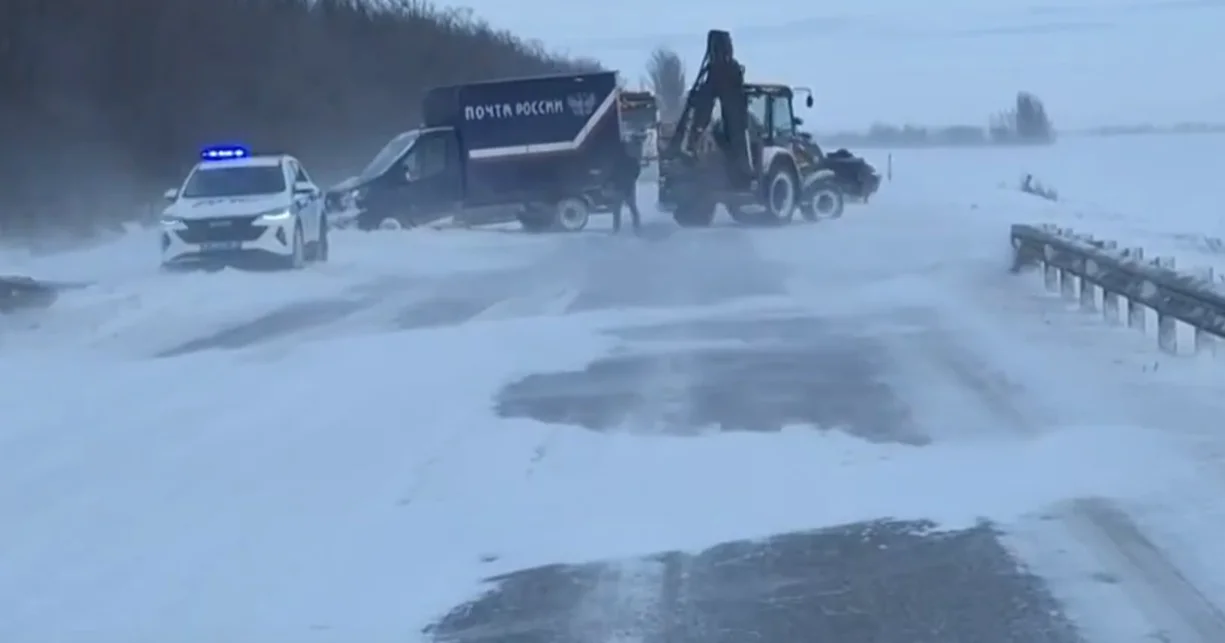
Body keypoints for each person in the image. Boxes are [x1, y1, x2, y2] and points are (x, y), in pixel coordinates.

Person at [609, 140, 642, 233]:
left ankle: (616, 229)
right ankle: (636, 227)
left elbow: (612, 175)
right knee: (632, 207)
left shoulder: (616, 162)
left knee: (617, 210)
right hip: (629, 187)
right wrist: (633, 179)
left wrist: (611, 182)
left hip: (619, 187)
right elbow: (637, 170)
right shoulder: (631, 160)